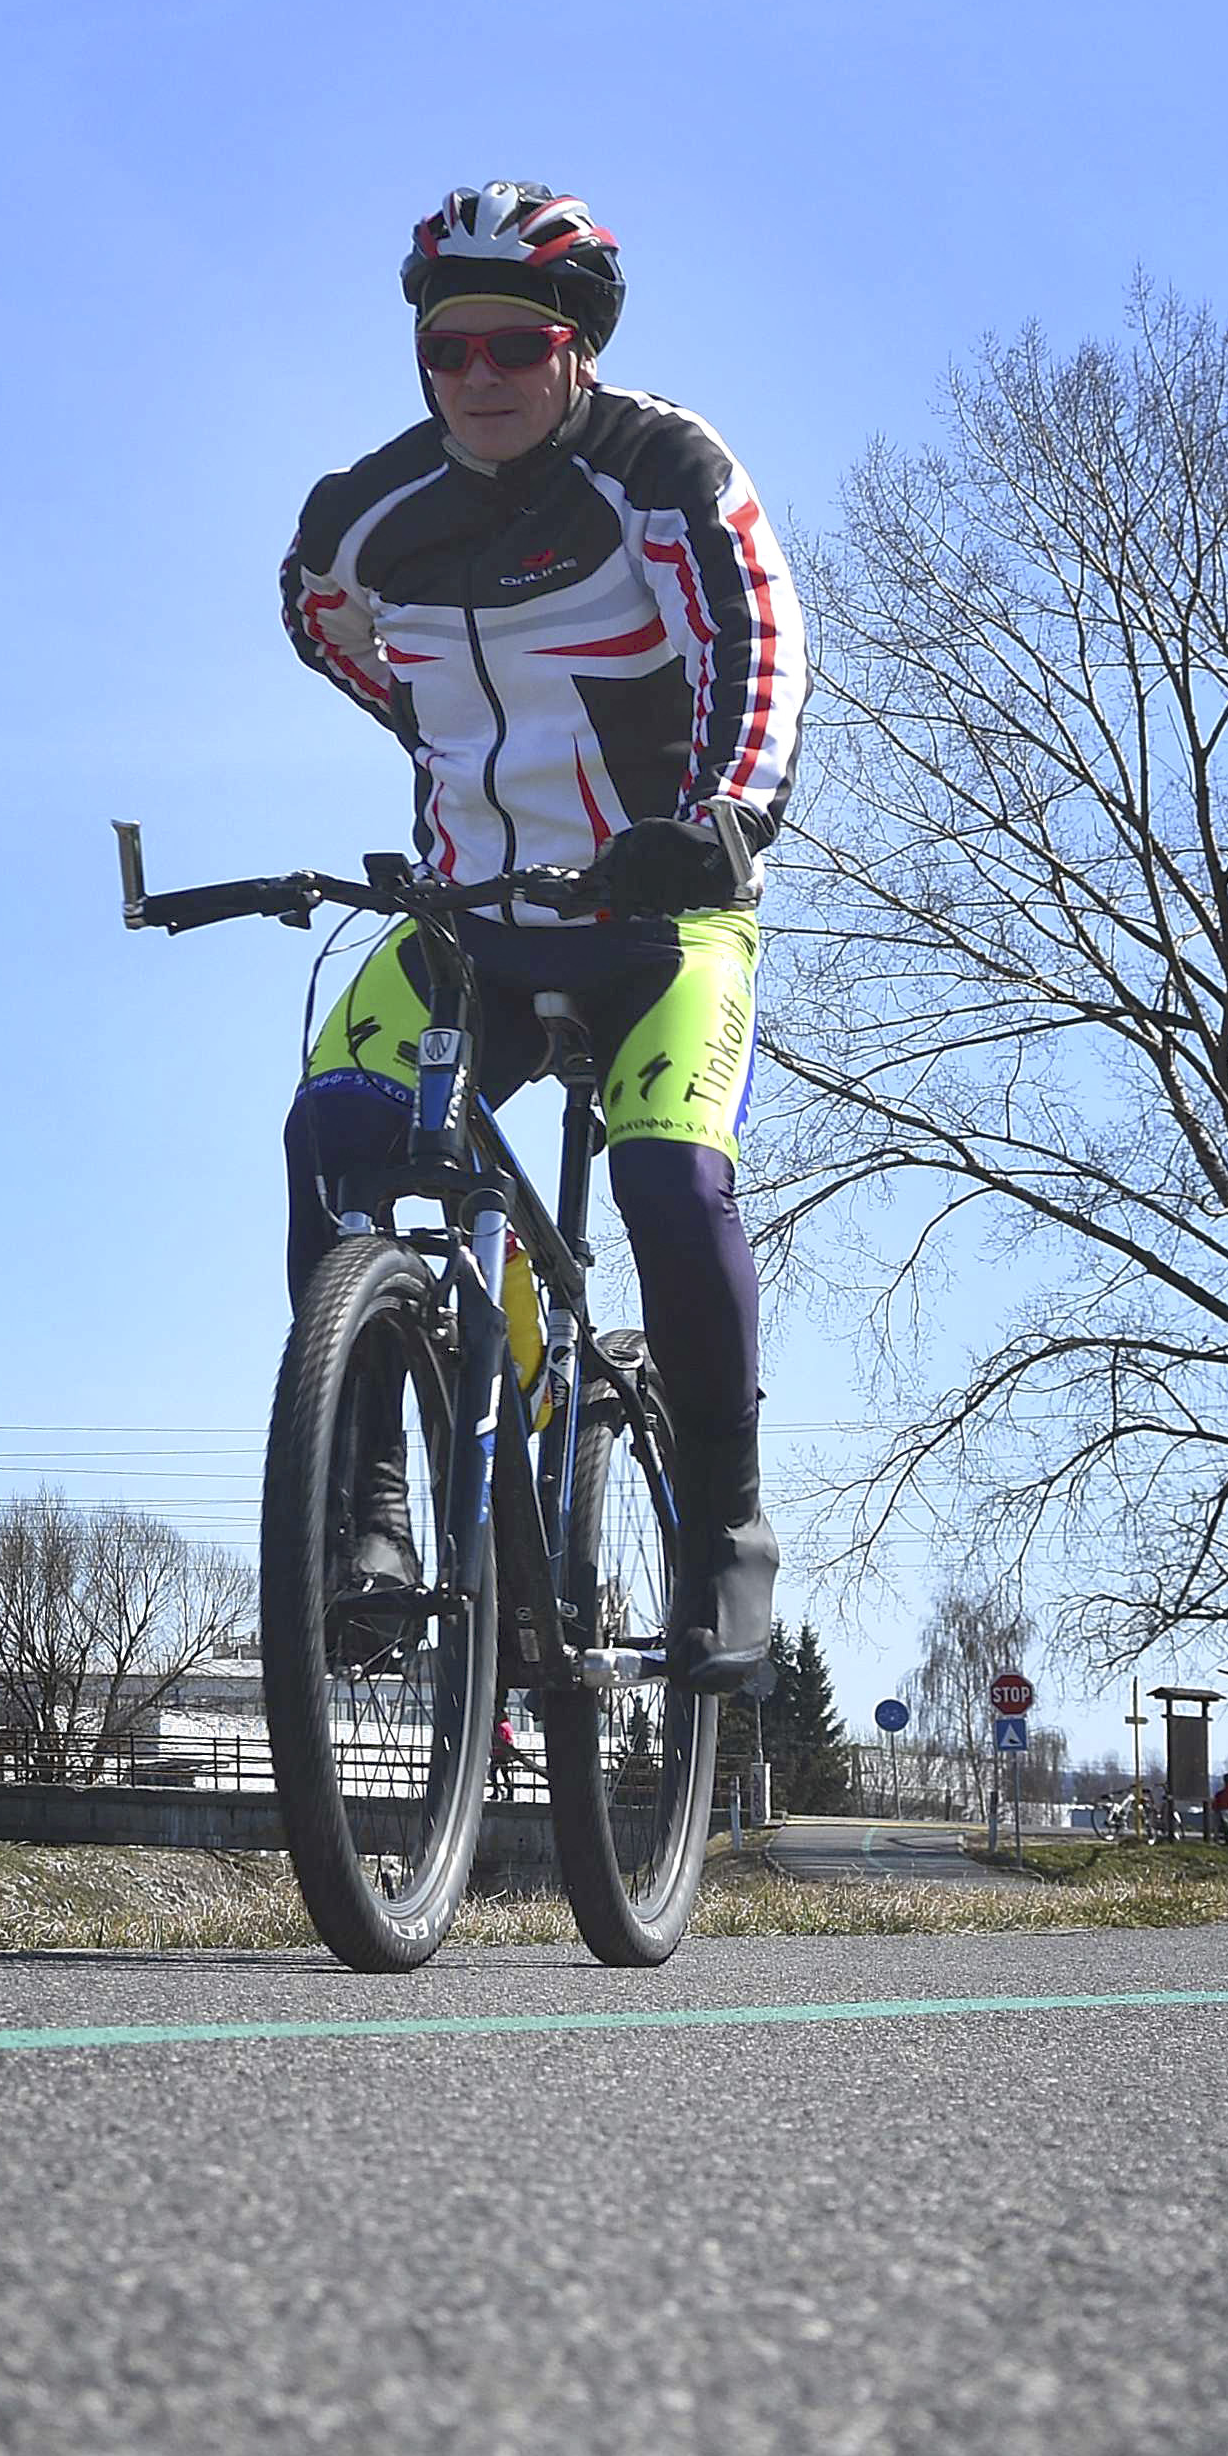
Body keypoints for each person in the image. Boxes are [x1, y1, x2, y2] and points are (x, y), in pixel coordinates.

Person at [278, 184, 802, 1694]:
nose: (479, 376)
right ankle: (366, 1510)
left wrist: (718, 814)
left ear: (575, 350)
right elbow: (324, 621)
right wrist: (449, 766)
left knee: (661, 1175)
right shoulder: (361, 515)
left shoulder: (662, 470)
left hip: (659, 915)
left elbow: (757, 651)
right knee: (331, 1128)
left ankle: (722, 1528)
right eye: (448, 351)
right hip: (476, 921)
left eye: (516, 343)